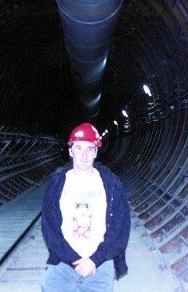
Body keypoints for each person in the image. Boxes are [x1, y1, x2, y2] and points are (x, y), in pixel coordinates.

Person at [41, 123, 131, 292]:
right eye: (79, 148)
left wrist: (94, 260)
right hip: (64, 261)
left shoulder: (111, 184)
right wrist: (73, 259)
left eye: (90, 149)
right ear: (70, 150)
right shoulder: (57, 183)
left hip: (100, 263)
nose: (84, 155)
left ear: (96, 152)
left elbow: (120, 227)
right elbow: (50, 228)